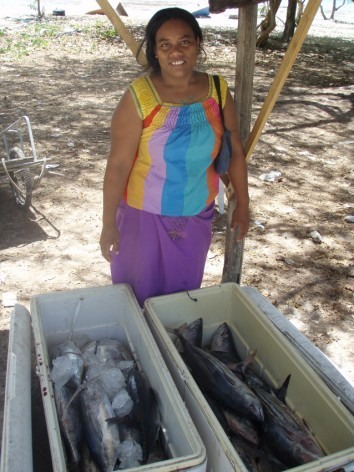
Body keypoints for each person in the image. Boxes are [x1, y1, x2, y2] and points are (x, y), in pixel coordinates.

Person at [100, 7, 249, 306]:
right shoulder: (139, 97)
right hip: (142, 218)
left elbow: (234, 154)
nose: (175, 52)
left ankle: (168, 351)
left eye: (184, 42)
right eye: (165, 44)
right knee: (137, 297)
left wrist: (243, 203)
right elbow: (117, 165)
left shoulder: (218, 92)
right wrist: (108, 223)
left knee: (181, 298)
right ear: (155, 51)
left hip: (195, 216)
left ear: (197, 42)